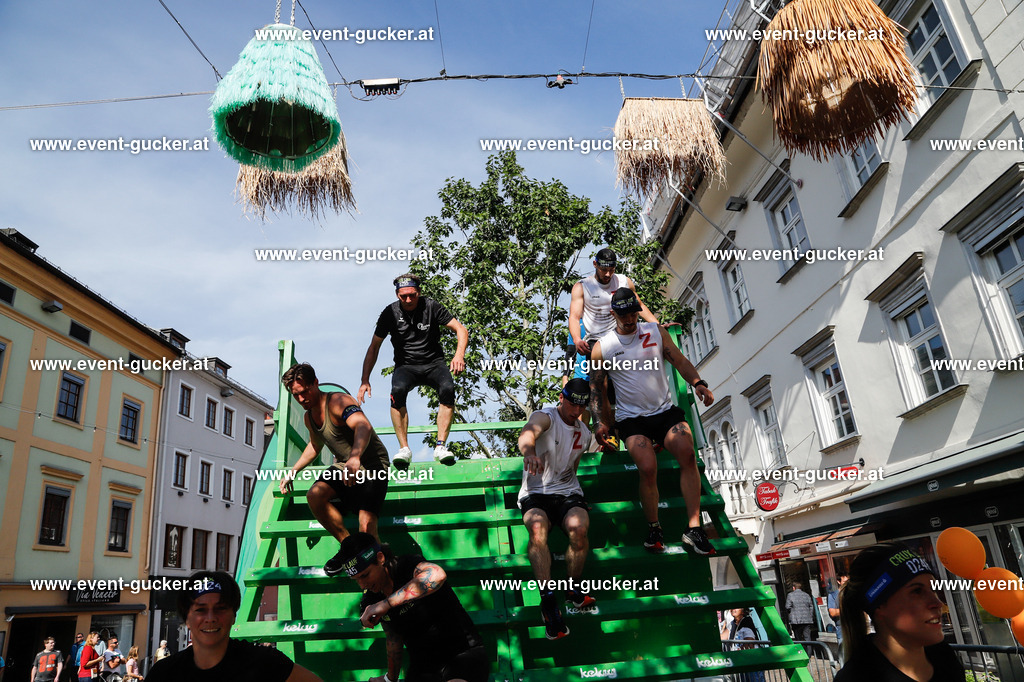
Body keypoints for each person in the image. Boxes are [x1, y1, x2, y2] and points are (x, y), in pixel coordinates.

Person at [588, 288, 715, 554]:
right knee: (647, 467)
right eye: (624, 315)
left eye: (634, 312)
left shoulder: (655, 332)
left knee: (688, 454)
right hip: (632, 418)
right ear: (614, 313)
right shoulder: (603, 347)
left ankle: (693, 529)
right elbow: (597, 389)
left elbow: (679, 360)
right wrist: (602, 423)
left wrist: (698, 383)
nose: (630, 319)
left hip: (664, 411)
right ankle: (654, 527)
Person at [281, 362, 391, 576]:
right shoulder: (308, 417)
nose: (301, 399)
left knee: (366, 528)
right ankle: (350, 546)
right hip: (344, 465)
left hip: (373, 464)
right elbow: (314, 445)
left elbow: (363, 426)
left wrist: (355, 457)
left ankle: (384, 580)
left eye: (304, 392)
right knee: (314, 495)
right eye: (296, 396)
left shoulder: (338, 401)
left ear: (315, 383)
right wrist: (293, 471)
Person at [339, 532, 488, 682]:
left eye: (365, 575)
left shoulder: (408, 565)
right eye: (356, 580)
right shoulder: (372, 597)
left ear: (380, 558)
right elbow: (393, 639)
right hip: (424, 669)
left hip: (462, 653)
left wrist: (387, 603)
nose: (363, 585)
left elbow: (437, 575)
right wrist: (390, 679)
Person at [358, 273, 469, 467]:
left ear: (419, 292)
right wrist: (365, 380)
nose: (408, 300)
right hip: (406, 366)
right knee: (397, 392)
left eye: (412, 295)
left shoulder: (432, 307)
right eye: (403, 296)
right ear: (397, 295)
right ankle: (404, 449)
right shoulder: (389, 313)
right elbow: (373, 347)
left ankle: (441, 446)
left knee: (448, 389)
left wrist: (459, 355)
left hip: (434, 363)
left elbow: (461, 329)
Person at [517, 378, 595, 640]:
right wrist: (529, 453)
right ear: (562, 398)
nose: (575, 411)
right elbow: (527, 432)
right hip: (536, 494)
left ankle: (573, 589)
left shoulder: (584, 432)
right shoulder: (546, 416)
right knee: (537, 528)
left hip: (568, 493)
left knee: (579, 527)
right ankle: (547, 599)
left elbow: (573, 467)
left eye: (581, 408)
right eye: (572, 404)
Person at [145, 570, 322, 682]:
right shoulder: (164, 674)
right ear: (187, 619)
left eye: (220, 608)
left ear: (233, 615)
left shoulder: (265, 663)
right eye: (200, 610)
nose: (211, 618)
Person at [564, 249, 671, 424]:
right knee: (600, 386)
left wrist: (657, 326)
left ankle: (648, 425)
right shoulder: (582, 286)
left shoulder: (623, 281)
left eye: (611, 269)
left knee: (636, 379)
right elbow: (574, 317)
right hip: (596, 341)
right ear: (595, 265)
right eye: (603, 269)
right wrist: (577, 339)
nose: (607, 274)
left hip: (620, 337)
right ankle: (606, 429)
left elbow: (640, 305)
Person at [834, 542, 965, 681]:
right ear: (879, 604)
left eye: (933, 589)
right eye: (917, 591)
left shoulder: (943, 655)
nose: (938, 603)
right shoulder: (856, 677)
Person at [721, 608, 766, 682]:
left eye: (736, 607)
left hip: (752, 661)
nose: (733, 609)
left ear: (743, 610)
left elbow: (750, 641)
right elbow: (722, 637)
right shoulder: (732, 624)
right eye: (731, 607)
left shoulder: (747, 621)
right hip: (741, 661)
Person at [829, 573, 849, 647]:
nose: (847, 584)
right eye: (844, 582)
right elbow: (832, 612)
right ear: (838, 581)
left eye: (848, 581)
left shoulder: (853, 593)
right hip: (842, 629)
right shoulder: (833, 595)